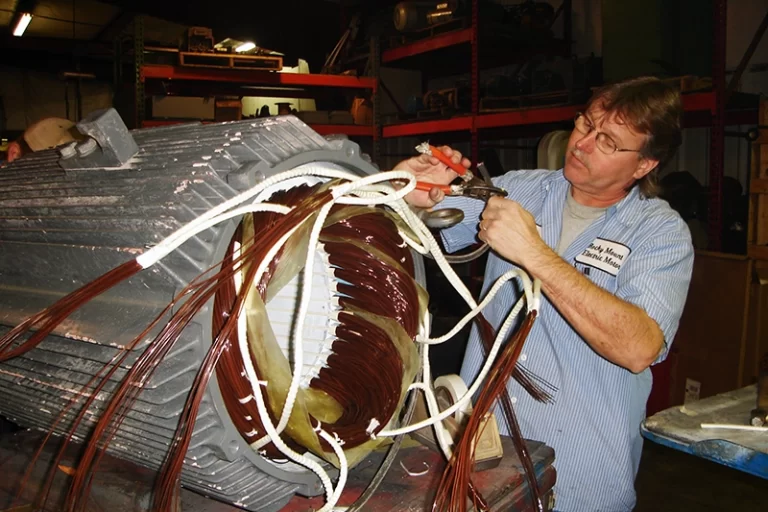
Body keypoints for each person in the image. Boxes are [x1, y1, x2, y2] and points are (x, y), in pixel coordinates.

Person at [396, 76, 694, 511]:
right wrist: (406, 187)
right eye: (585, 124)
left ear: (644, 165)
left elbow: (638, 347)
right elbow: (421, 220)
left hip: (583, 474)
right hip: (485, 459)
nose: (583, 144)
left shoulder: (660, 234)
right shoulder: (519, 189)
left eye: (608, 142)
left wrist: (534, 253)